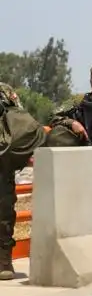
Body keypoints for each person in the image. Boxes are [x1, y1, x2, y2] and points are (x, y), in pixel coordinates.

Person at [0, 81, 38, 282]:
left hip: (1, 162)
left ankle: (4, 260)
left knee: (4, 212)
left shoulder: (4, 91)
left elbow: (22, 122)